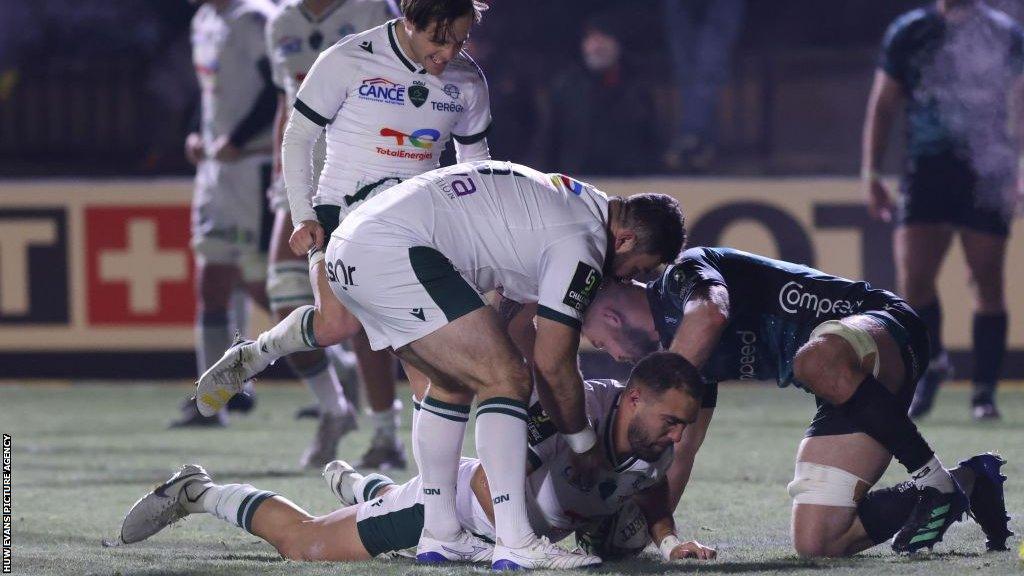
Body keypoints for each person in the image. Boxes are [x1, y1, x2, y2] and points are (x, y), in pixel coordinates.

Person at [195, 160, 687, 568]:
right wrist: (581, 442)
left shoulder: (573, 204)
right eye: (636, 271)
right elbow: (553, 359)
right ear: (624, 241)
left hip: (372, 242)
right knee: (505, 377)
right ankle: (511, 541)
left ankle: (439, 529)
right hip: (392, 247)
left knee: (452, 381)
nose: (623, 280)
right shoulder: (583, 243)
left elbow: (513, 319)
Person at [582, 247, 1013, 556]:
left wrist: (661, 388)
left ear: (611, 316)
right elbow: (684, 449)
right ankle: (969, 481)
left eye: (601, 342)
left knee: (813, 359)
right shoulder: (683, 360)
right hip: (841, 382)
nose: (614, 355)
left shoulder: (681, 277)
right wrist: (660, 535)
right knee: (819, 542)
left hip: (883, 327)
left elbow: (712, 312)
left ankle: (932, 481)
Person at [119, 353, 715, 566]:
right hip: (453, 507)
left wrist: (667, 540)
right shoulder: (571, 409)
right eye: (670, 421)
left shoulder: (648, 441)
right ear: (633, 398)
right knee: (305, 545)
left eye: (683, 427)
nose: (674, 438)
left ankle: (364, 489)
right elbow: (489, 476)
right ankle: (197, 491)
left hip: (501, 529)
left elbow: (651, 489)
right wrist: (514, 546)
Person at [254, 0, 495, 469]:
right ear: (409, 23)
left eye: (460, 40)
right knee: (337, 326)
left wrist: (479, 243)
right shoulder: (349, 56)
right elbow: (297, 134)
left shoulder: (468, 80)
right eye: (438, 40)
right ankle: (262, 350)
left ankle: (428, 494)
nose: (449, 53)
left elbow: (476, 166)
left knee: (429, 364)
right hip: (341, 209)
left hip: (418, 223)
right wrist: (303, 215)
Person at [862, 0, 1024, 420]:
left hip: (985, 171)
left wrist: (1020, 167)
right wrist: (872, 171)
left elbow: (1020, 103)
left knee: (986, 277)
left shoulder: (1004, 33)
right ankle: (932, 364)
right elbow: (883, 104)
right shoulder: (910, 31)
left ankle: (983, 391)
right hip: (927, 168)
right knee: (914, 281)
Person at [263, 0, 395, 468]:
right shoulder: (280, 22)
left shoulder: (373, 10)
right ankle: (334, 407)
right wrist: (281, 180)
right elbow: (287, 103)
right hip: (301, 177)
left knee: (363, 305)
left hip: (357, 178)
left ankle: (386, 433)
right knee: (282, 294)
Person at [174, 0, 279, 427]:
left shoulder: (258, 19)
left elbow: (280, 90)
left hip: (254, 167)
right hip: (217, 172)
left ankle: (339, 370)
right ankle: (216, 396)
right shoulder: (204, 20)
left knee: (263, 288)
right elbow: (212, 91)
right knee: (212, 283)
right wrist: (199, 132)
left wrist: (237, 137)